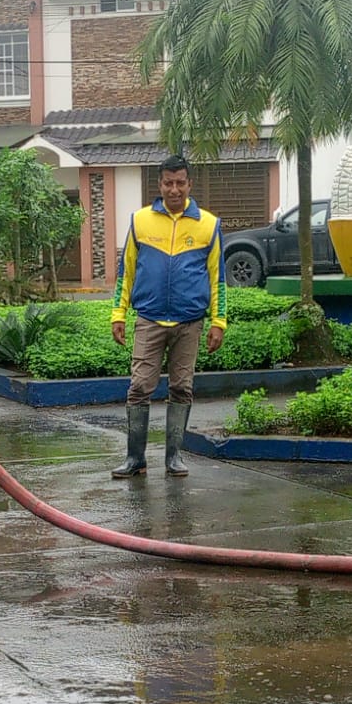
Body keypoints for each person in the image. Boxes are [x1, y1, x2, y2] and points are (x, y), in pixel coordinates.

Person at [110, 154, 226, 478]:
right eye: (168, 183)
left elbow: (218, 279)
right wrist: (118, 313)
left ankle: (174, 457)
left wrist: (218, 322)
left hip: (189, 322)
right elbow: (126, 272)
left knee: (181, 388)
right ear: (159, 185)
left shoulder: (209, 225)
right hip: (149, 319)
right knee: (139, 387)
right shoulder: (140, 221)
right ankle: (135, 459)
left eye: (180, 183)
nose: (174, 189)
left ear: (189, 184)